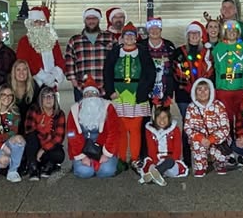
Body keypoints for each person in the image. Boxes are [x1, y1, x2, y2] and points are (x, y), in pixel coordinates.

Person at [104, 22, 155, 165]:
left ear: (136, 37)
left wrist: (143, 92)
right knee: (120, 129)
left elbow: (150, 73)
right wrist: (110, 91)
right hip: (119, 95)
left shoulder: (143, 52)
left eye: (132, 35)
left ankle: (134, 158)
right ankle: (121, 159)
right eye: (126, 35)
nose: (129, 38)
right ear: (122, 37)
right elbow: (107, 72)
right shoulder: (114, 52)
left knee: (135, 129)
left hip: (137, 95)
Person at [66, 75, 120, 178]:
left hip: (103, 148)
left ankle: (100, 166)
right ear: (83, 97)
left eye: (93, 93)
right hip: (82, 149)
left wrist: (106, 154)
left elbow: (114, 132)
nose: (90, 96)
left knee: (107, 171)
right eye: (87, 94)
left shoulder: (108, 107)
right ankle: (85, 166)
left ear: (98, 96)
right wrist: (82, 157)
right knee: (84, 172)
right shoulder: (74, 110)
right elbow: (71, 134)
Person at [183, 78, 232, 177]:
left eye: (206, 89)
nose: (202, 92)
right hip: (200, 140)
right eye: (199, 89)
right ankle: (201, 166)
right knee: (196, 143)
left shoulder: (219, 106)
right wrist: (200, 138)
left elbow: (225, 127)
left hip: (217, 139)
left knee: (220, 151)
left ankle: (220, 163)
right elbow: (188, 127)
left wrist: (211, 139)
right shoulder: (191, 108)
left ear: (211, 91)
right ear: (195, 92)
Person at [66, 7, 113, 103]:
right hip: (82, 87)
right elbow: (69, 60)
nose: (91, 21)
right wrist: (73, 81)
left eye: (94, 18)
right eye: (88, 19)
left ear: (99, 20)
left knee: (105, 116)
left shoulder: (109, 37)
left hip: (104, 87)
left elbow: (116, 60)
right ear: (84, 20)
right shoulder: (75, 40)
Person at [171, 21, 214, 122]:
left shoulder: (207, 52)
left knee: (203, 122)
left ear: (200, 35)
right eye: (191, 33)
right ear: (187, 35)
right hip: (184, 95)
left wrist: (200, 88)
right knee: (187, 123)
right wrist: (188, 87)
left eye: (197, 33)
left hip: (203, 94)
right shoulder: (179, 52)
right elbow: (176, 72)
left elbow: (210, 72)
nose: (194, 35)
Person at [15, 6, 66, 89]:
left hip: (52, 83)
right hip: (33, 84)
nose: (40, 24)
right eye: (36, 22)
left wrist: (55, 76)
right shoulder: (24, 41)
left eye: (42, 22)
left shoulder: (53, 40)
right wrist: (43, 77)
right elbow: (23, 62)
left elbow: (59, 59)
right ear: (31, 23)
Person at [212, 19, 243, 127]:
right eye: (229, 30)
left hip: (241, 88)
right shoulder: (218, 47)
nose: (232, 32)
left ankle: (240, 139)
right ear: (224, 32)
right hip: (223, 89)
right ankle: (227, 140)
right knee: (224, 117)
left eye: (235, 29)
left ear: (238, 32)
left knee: (242, 116)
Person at [22, 86, 66, 180]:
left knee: (59, 154)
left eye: (51, 96)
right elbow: (29, 130)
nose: (48, 99)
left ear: (55, 99)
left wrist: (43, 149)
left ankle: (48, 165)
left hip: (49, 147)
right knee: (31, 137)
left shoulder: (59, 114)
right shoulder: (34, 110)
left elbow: (59, 138)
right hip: (35, 144)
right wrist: (38, 148)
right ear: (40, 99)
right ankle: (33, 167)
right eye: (45, 96)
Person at [139, 106, 188, 186]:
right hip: (156, 160)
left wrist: (172, 160)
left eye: (165, 117)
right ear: (155, 118)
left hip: (170, 161)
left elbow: (177, 149)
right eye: (159, 117)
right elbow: (151, 149)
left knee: (171, 167)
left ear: (169, 118)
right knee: (151, 166)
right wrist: (156, 161)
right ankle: (157, 173)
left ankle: (154, 174)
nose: (162, 120)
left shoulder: (175, 129)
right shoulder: (149, 130)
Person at [144, 17, 176, 106]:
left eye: (157, 28)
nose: (154, 31)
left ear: (161, 29)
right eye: (151, 28)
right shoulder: (141, 45)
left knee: (163, 118)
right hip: (145, 90)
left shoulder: (169, 46)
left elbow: (174, 68)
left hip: (165, 90)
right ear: (148, 30)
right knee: (146, 119)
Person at [9, 59, 37, 128]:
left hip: (30, 127)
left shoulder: (34, 87)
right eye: (18, 70)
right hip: (11, 127)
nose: (21, 73)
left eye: (24, 69)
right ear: (14, 73)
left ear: (28, 72)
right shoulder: (8, 88)